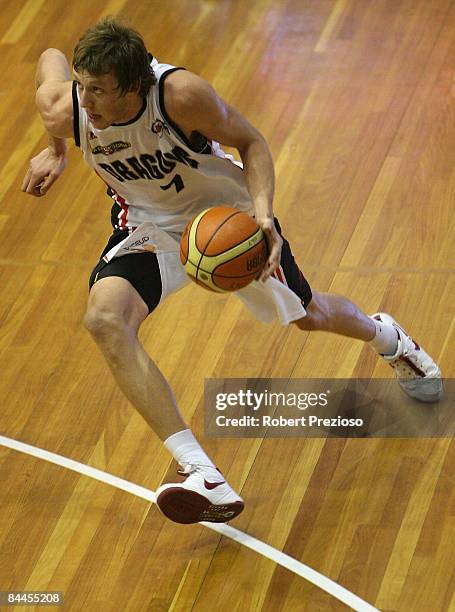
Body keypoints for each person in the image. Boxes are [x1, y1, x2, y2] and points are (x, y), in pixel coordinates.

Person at [22, 17, 442, 525]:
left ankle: (389, 338)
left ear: (134, 87)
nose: (85, 102)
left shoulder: (180, 97)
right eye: (81, 87)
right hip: (150, 225)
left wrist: (263, 217)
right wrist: (57, 149)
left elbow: (253, 141)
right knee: (105, 319)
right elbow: (49, 57)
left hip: (227, 216)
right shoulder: (67, 106)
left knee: (308, 315)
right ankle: (202, 473)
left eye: (98, 92)